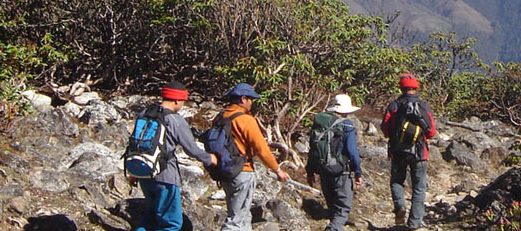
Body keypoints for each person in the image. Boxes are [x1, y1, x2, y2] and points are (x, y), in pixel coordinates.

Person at [132, 81, 217, 231]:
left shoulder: (144, 113)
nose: (183, 104)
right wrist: (209, 158)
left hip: (143, 171)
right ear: (177, 100)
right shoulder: (175, 120)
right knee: (172, 223)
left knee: (151, 216)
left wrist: (134, 172)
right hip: (165, 175)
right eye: (183, 101)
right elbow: (191, 148)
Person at [219, 82, 290, 231]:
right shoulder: (246, 120)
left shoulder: (221, 117)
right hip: (242, 171)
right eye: (251, 99)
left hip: (224, 171)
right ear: (243, 99)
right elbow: (261, 150)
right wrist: (277, 170)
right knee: (236, 220)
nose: (252, 103)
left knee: (243, 216)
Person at [381, 74, 437, 231]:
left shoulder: (394, 106)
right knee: (419, 187)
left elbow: (385, 129)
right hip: (420, 153)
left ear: (401, 88)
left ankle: (400, 205)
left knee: (396, 181)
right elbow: (431, 132)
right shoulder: (423, 107)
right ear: (416, 87)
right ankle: (414, 223)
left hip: (398, 151)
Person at [306, 94, 363, 231]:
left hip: (323, 170)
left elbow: (313, 148)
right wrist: (357, 172)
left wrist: (310, 172)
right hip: (340, 172)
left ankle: (334, 226)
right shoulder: (345, 124)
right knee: (343, 209)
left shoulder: (320, 122)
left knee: (333, 208)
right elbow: (352, 151)